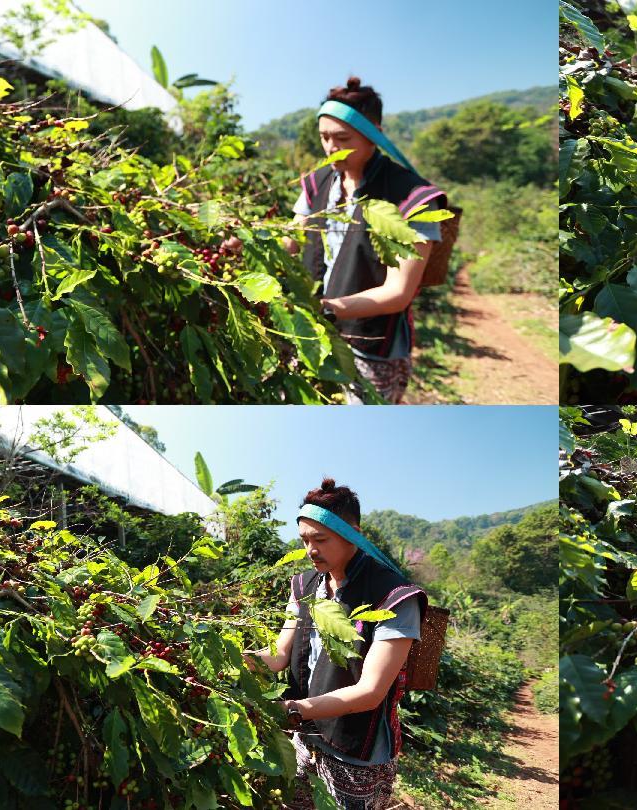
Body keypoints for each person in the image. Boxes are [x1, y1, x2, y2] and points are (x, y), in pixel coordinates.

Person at [243, 479, 426, 810]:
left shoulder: (393, 596)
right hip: (306, 734)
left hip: (355, 749)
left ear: (353, 533)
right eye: (304, 540)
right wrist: (231, 660)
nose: (311, 550)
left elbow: (370, 692)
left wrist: (293, 710)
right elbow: (280, 654)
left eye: (321, 540)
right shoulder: (305, 586)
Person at [283, 77, 447, 404]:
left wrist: (326, 309)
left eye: (342, 138)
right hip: (312, 331)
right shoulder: (317, 183)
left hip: (370, 343)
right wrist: (248, 245)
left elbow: (398, 292)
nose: (331, 147)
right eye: (324, 137)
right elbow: (292, 240)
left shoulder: (410, 196)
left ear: (375, 135)